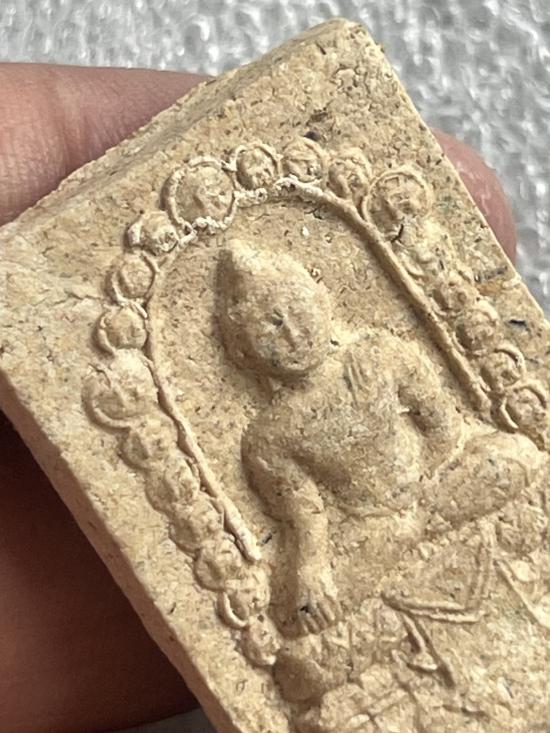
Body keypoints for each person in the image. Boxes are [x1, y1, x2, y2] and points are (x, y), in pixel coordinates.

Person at [0, 63, 517, 733]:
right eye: (269, 327)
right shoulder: (270, 436)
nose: (291, 332)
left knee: (514, 462)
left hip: (439, 488)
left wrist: (429, 497)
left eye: (295, 311)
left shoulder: (381, 353)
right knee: (299, 627)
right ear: (243, 351)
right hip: (373, 533)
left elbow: (447, 430)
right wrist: (314, 573)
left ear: (322, 299)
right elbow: (308, 523)